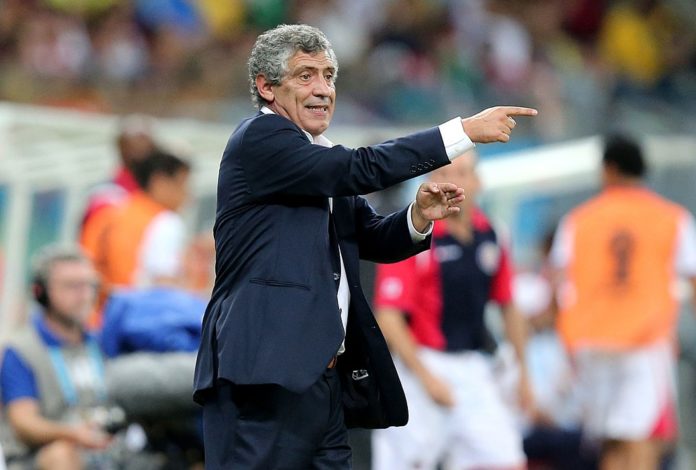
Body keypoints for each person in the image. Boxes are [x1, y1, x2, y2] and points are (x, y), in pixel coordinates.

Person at [192, 23, 536, 469]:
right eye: (305, 76)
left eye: (329, 76)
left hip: (321, 379)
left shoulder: (320, 155)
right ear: (266, 87)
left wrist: (417, 217)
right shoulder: (260, 139)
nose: (323, 89)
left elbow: (371, 236)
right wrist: (463, 132)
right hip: (263, 372)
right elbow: (360, 168)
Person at [371, 152, 531, 469]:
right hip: (420, 364)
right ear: (430, 182)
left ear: (478, 181)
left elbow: (509, 306)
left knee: (506, 458)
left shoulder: (494, 234)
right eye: (445, 174)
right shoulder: (413, 234)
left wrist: (524, 374)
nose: (453, 183)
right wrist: (426, 377)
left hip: (473, 367)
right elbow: (388, 315)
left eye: (462, 174)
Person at [550, 134, 696, 470]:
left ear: (609, 169)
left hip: (590, 340)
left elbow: (557, 282)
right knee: (642, 436)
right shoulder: (672, 218)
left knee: (611, 440)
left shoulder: (578, 220)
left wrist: (566, 339)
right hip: (644, 341)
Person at [0, 245, 121, 470]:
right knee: (61, 455)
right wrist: (73, 434)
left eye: (89, 285)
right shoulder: (21, 350)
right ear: (41, 293)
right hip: (40, 458)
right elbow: (23, 422)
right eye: (71, 286)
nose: (84, 295)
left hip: (104, 452)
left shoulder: (100, 343)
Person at [96, 149, 191, 296]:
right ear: (159, 182)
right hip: (138, 306)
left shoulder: (115, 211)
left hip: (105, 304)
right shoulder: (166, 222)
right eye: (182, 184)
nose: (187, 194)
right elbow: (165, 286)